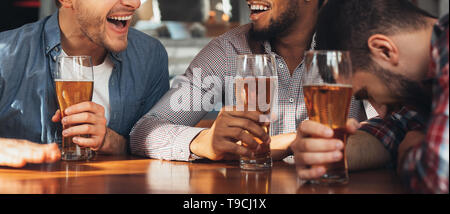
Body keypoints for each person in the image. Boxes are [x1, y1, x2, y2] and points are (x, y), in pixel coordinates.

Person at [130, 0, 384, 165]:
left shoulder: (354, 49)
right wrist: (203, 141)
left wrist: (292, 142)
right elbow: (144, 132)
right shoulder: (227, 51)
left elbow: (389, 131)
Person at [292, 0, 448, 193]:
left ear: (384, 50)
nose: (380, 111)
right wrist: (321, 151)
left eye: (366, 93)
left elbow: (436, 178)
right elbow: (396, 128)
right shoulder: (424, 90)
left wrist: (409, 153)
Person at [0, 0, 169, 167]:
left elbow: (164, 148)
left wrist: (113, 142)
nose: (135, 3)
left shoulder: (150, 56)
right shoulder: (6, 54)